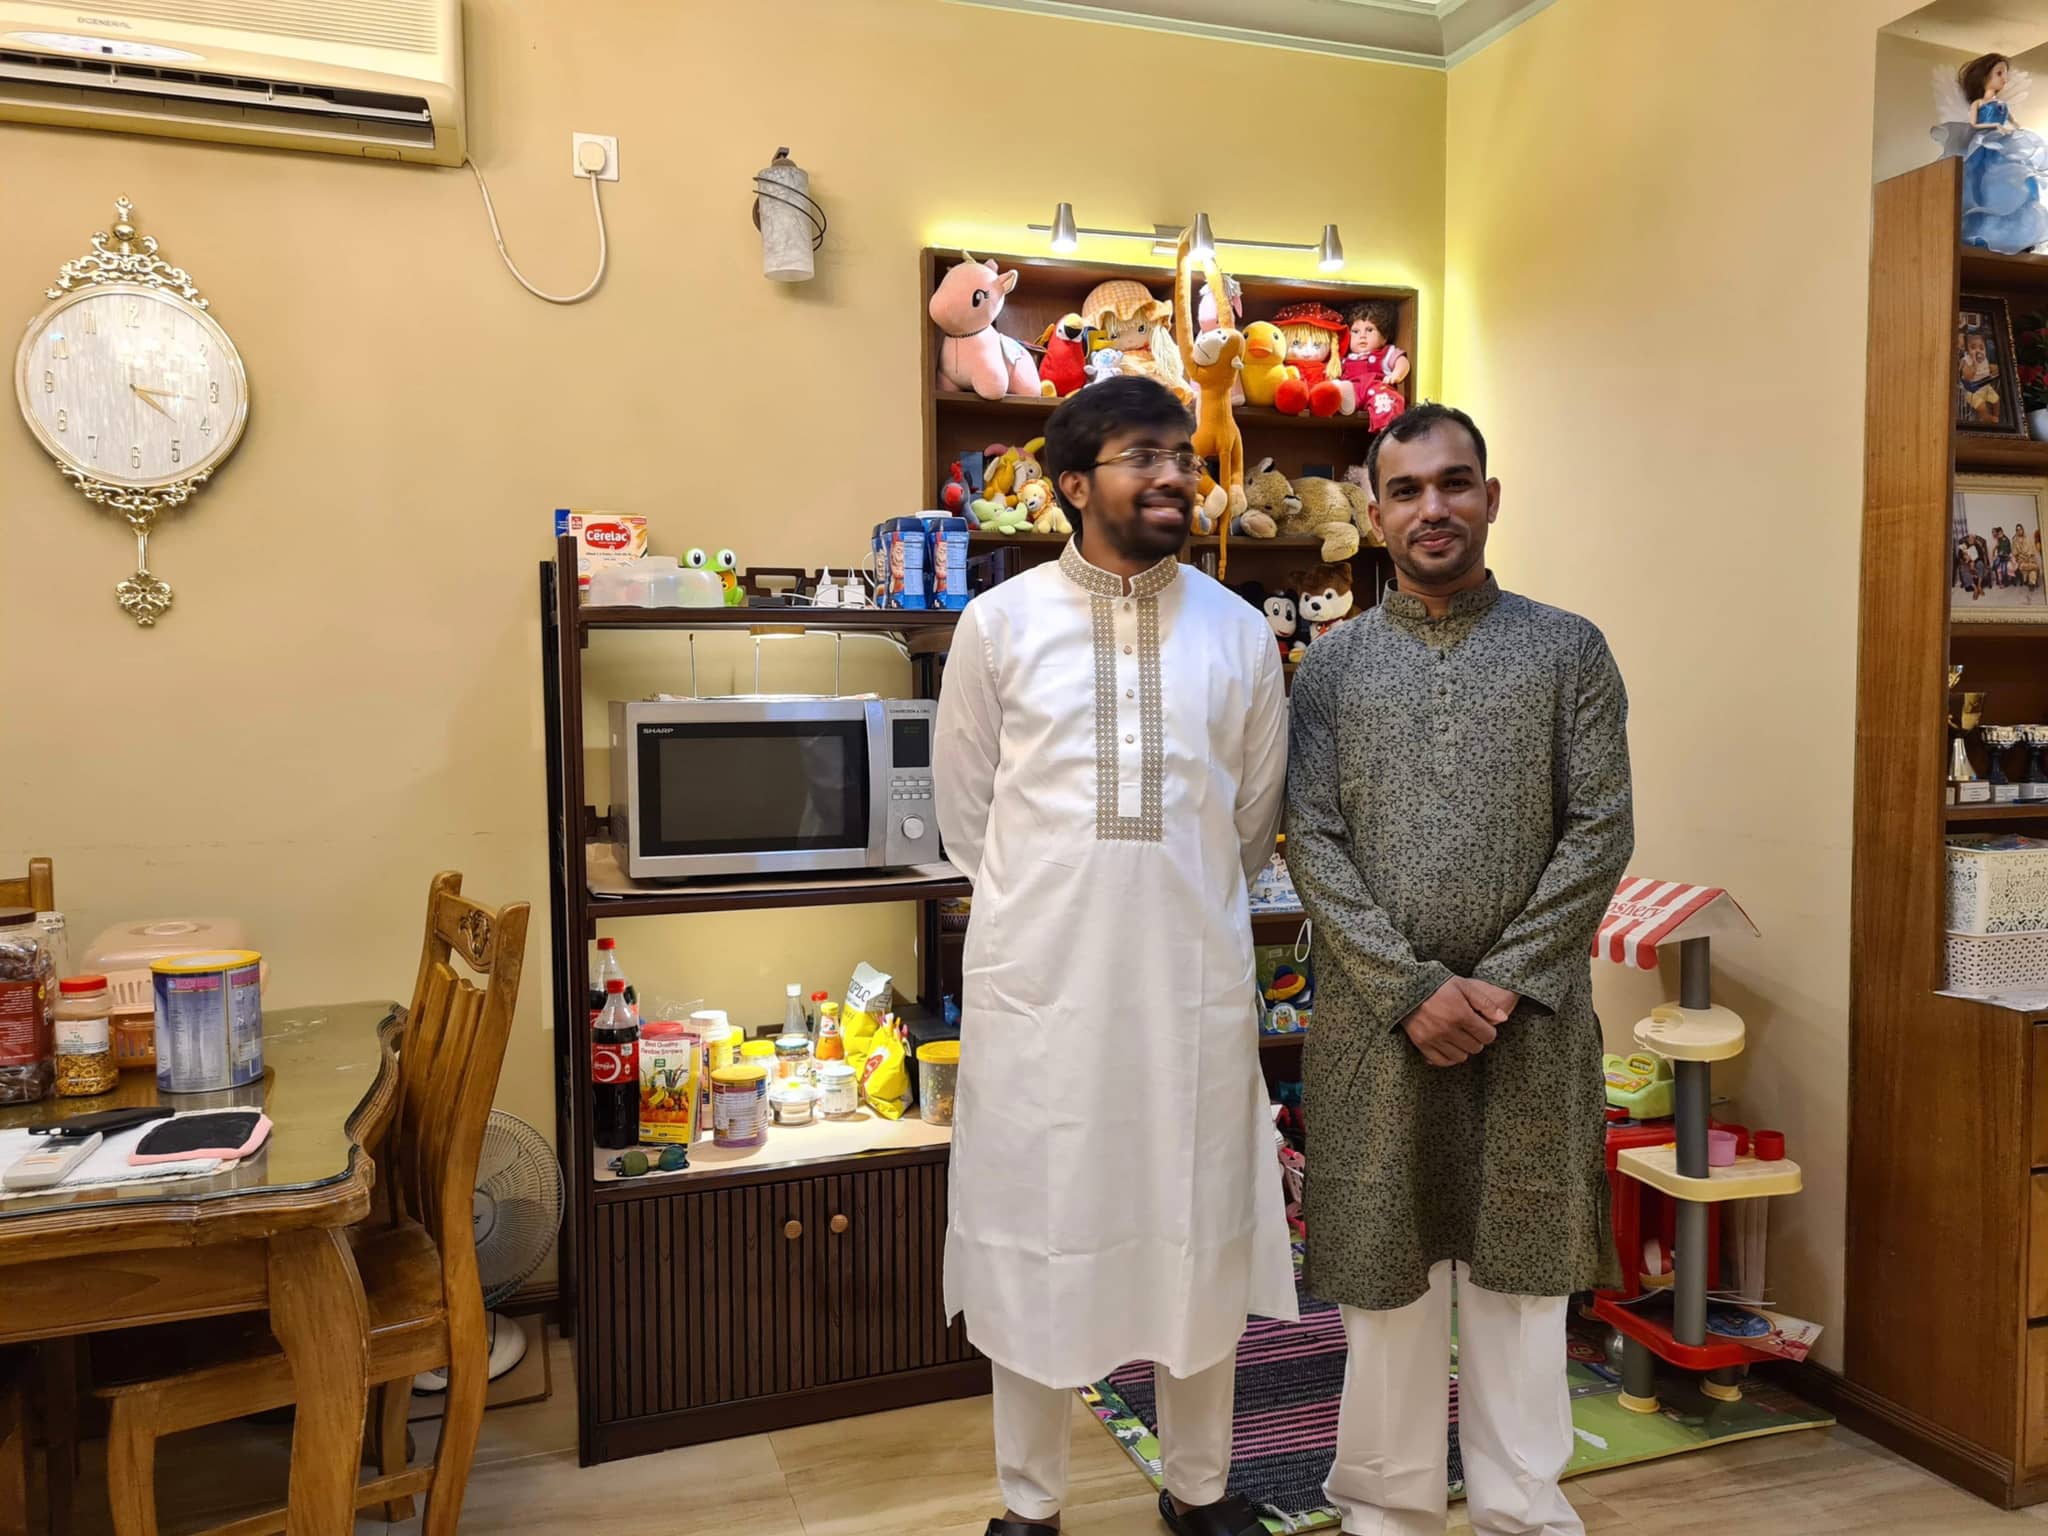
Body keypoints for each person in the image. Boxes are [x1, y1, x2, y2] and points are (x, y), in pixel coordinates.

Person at [935, 374, 1296, 1536]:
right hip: (1041, 995)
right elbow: (966, 817)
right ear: (1072, 485)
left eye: (1183, 455)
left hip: (1187, 993)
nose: (1174, 476)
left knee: (1197, 1233)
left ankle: (1198, 1490)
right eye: (1143, 455)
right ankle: (1028, 1507)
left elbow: (1249, 825)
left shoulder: (1237, 632)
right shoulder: (999, 625)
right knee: (1030, 1236)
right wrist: (1065, 906)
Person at [1286, 403, 1634, 1536]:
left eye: (1453, 483)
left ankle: (1521, 1511)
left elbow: (1601, 830)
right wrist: (1409, 990)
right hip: (1374, 1031)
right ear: (1372, 512)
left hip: (1528, 1028)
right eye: (1405, 489)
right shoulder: (1331, 670)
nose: (1431, 508)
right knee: (1384, 1285)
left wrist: (1499, 982)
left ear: (1490, 497)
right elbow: (1311, 839)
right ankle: (1383, 1510)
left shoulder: (1568, 650)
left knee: (1519, 1285)